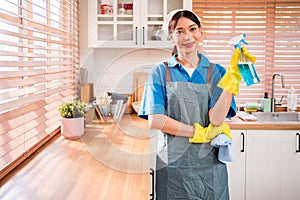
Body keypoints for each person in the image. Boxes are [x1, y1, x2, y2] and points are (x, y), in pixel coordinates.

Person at [138, 9, 253, 200]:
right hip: (173, 168)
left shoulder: (216, 72)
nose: (187, 36)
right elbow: (155, 120)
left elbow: (216, 119)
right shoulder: (161, 71)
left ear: (200, 32)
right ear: (171, 36)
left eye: (192, 29)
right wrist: (197, 132)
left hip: (210, 168)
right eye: (180, 31)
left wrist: (232, 81)